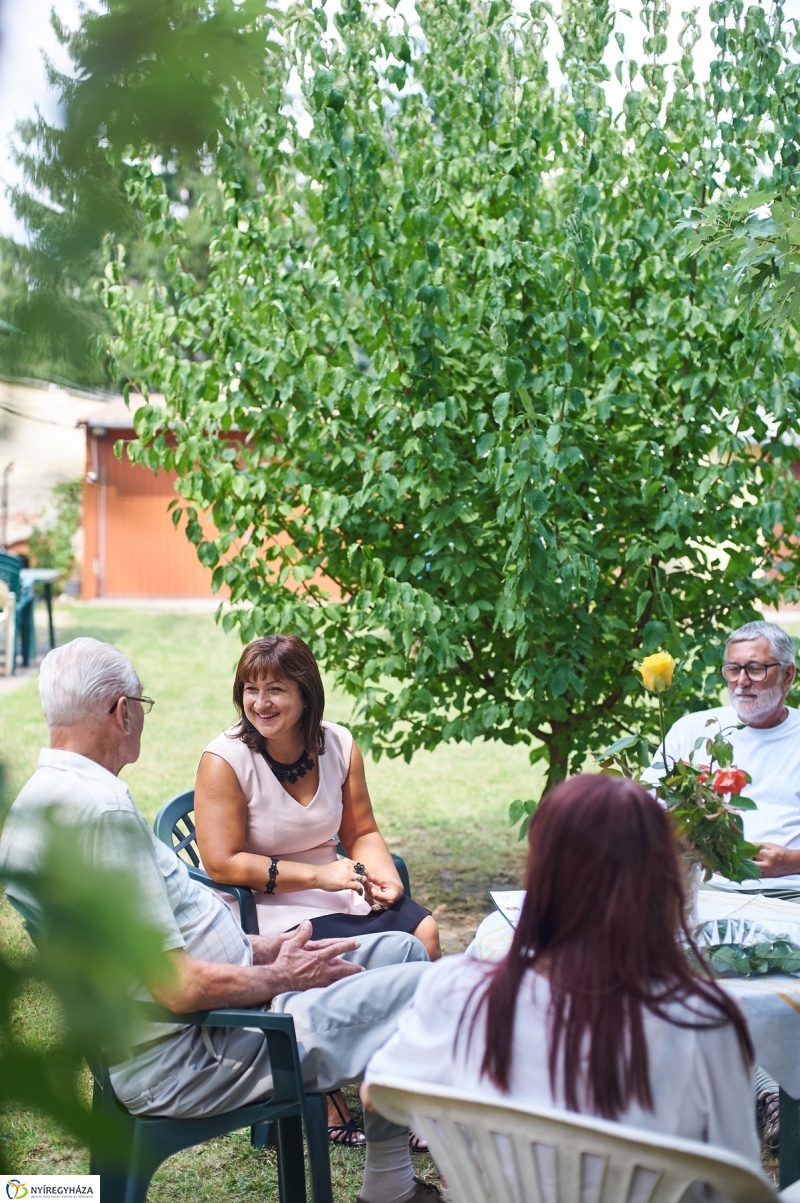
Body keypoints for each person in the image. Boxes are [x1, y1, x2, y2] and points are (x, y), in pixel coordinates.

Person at [0, 638, 439, 1203]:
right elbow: (177, 987)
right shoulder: (102, 812)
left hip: (211, 1017)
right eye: (142, 704)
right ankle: (391, 1189)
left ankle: (390, 1181)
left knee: (401, 952)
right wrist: (282, 977)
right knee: (425, 984)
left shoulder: (39, 802)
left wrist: (258, 948)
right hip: (208, 1048)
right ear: (121, 711)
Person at [363, 775, 759, 1175]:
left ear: (540, 875)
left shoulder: (456, 991)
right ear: (664, 881)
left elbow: (378, 1094)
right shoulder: (707, 1018)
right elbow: (738, 1177)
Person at [195, 635, 441, 1148]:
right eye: (250, 689)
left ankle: (398, 1087)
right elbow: (221, 861)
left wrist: (381, 877)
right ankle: (327, 1101)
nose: (260, 703)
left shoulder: (339, 745)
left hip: (336, 885)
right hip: (264, 905)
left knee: (424, 930)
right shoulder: (225, 760)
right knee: (340, 952)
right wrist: (320, 875)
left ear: (307, 695)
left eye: (276, 689)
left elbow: (362, 831)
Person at [643, 618, 799, 1151]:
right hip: (698, 892)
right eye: (733, 668)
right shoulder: (693, 730)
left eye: (757, 668)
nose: (742, 681)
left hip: (786, 894)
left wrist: (793, 860)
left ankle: (771, 1089)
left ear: (789, 674)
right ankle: (759, 1090)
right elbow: (646, 813)